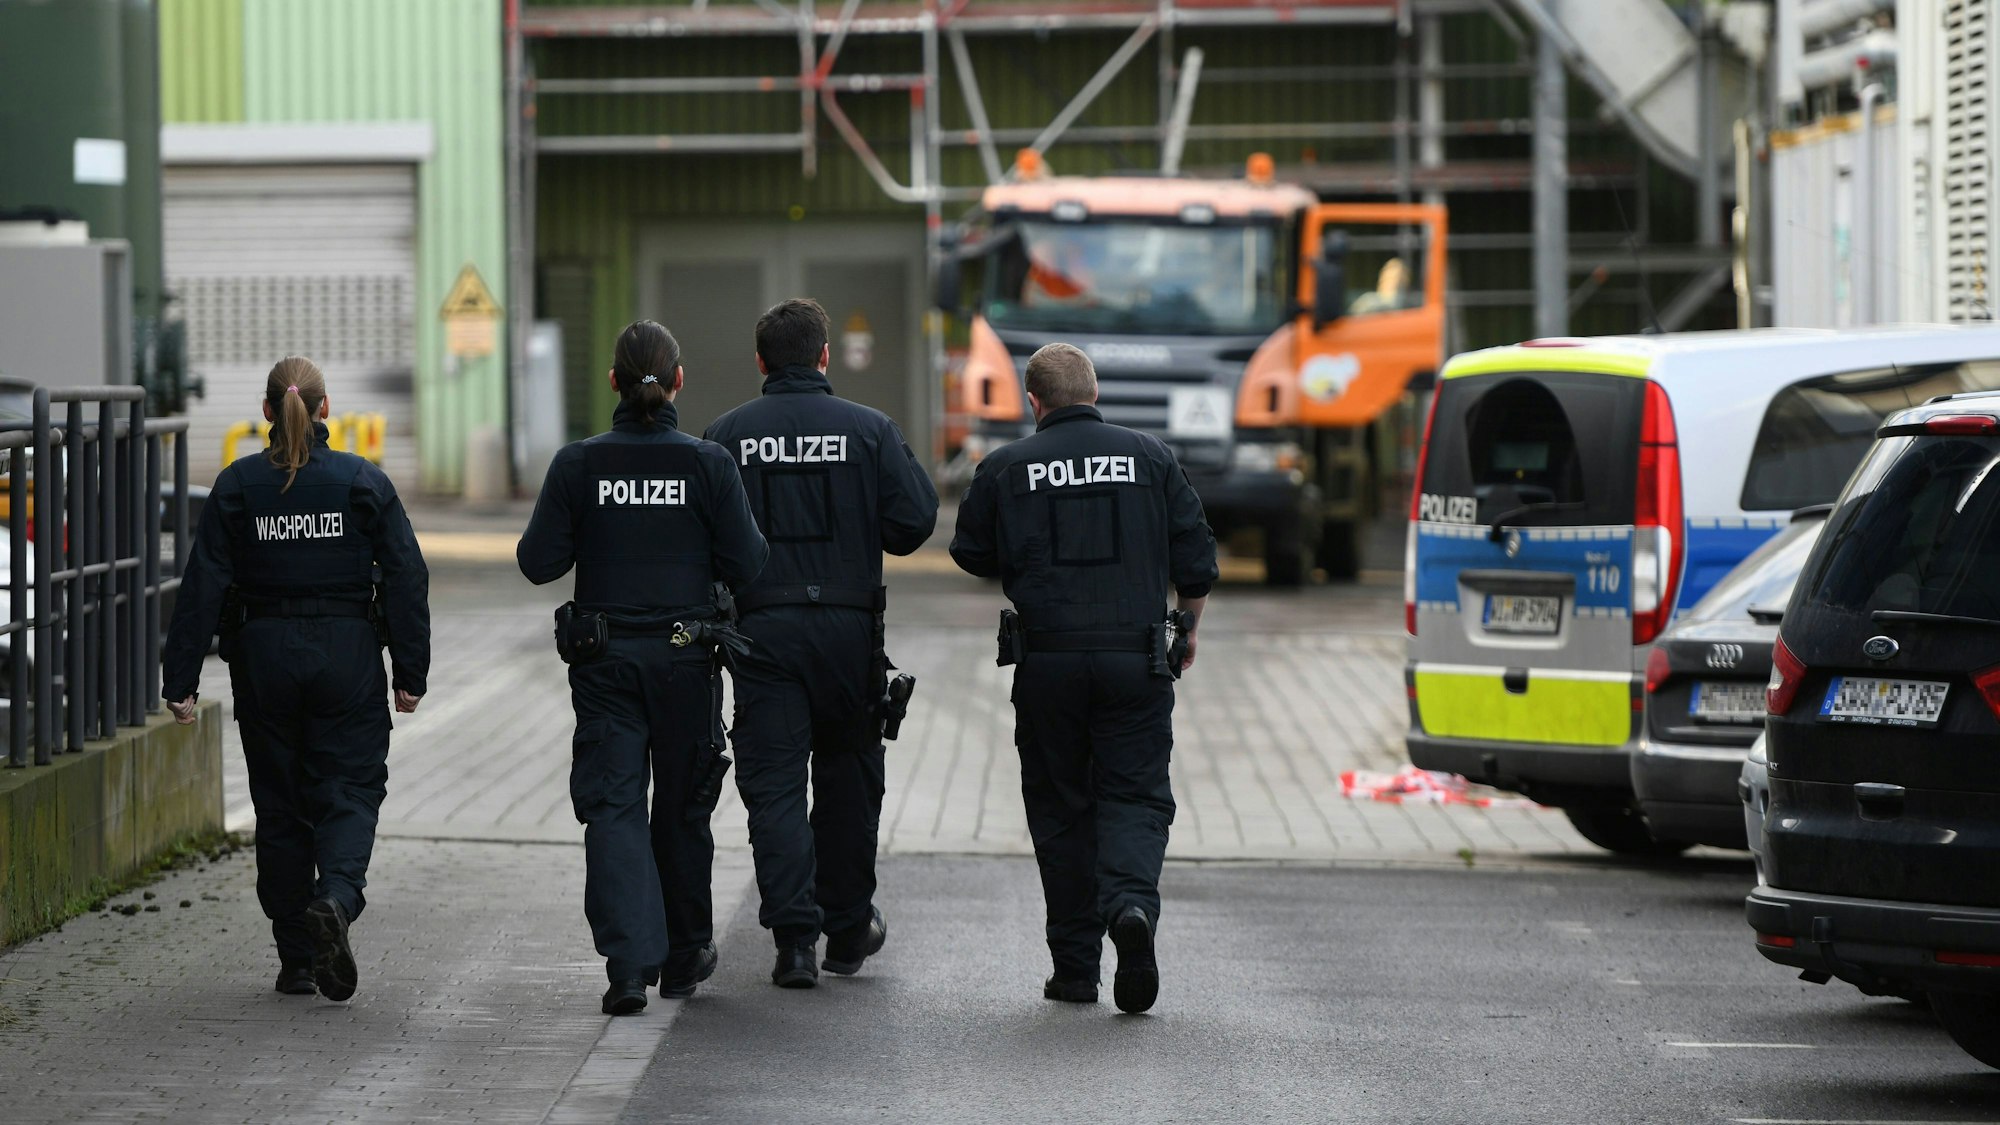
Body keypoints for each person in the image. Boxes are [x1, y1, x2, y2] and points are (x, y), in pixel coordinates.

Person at [948, 342, 1217, 1014]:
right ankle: (1129, 905)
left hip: (1049, 664)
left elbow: (971, 553)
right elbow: (1198, 561)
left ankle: (1074, 969)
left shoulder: (1006, 466)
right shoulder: (1151, 457)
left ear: (1034, 401)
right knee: (1135, 795)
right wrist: (1185, 628)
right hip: (1135, 660)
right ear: (1094, 391)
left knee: (1061, 807)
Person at [517, 320, 768, 1016]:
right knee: (683, 811)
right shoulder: (707, 463)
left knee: (615, 807)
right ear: (678, 381)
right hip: (687, 663)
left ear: (613, 384)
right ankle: (684, 958)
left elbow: (538, 562)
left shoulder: (578, 464)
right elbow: (750, 564)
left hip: (605, 667)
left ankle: (629, 969)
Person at [162, 356, 430, 1003]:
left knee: (281, 806)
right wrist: (410, 673)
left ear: (265, 414)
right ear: (327, 409)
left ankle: (297, 959)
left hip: (264, 658)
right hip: (347, 657)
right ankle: (335, 899)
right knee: (350, 788)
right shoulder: (364, 482)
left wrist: (181, 678)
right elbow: (405, 575)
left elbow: (202, 586)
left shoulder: (237, 486)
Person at [703, 298, 939, 989]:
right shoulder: (869, 430)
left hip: (763, 633)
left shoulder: (728, 435)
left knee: (773, 786)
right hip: (848, 632)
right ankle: (847, 926)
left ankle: (794, 941)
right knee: (849, 780)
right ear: (825, 356)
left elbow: (705, 539)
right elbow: (916, 520)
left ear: (761, 361)